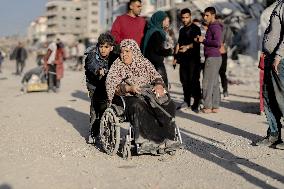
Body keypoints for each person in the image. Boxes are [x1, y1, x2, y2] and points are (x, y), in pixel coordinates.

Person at [106, 39, 179, 150]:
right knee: (139, 105)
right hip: (127, 97)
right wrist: (128, 88)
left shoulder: (143, 62)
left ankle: (168, 137)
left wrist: (158, 86)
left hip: (147, 92)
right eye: (122, 52)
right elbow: (112, 86)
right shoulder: (117, 66)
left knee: (167, 102)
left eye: (127, 51)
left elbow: (156, 76)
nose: (124, 54)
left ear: (134, 52)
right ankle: (146, 139)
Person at [256, 0, 284, 150]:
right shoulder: (278, 4)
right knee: (268, 97)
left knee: (281, 98)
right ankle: (273, 134)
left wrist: (279, 55)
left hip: (280, 60)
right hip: (270, 57)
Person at [84, 32, 118, 144]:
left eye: (106, 47)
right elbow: (92, 65)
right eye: (101, 46)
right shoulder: (92, 54)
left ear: (111, 47)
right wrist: (99, 70)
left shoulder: (115, 55)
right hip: (94, 84)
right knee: (95, 108)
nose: (103, 49)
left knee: (111, 107)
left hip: (109, 84)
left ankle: (109, 130)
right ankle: (93, 133)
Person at [174, 8, 202, 112]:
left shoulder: (195, 28)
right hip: (183, 60)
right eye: (183, 18)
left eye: (187, 17)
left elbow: (197, 43)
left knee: (194, 81)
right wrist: (175, 57)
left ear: (190, 17)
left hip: (194, 60)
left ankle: (197, 101)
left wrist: (188, 47)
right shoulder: (181, 30)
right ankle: (186, 101)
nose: (185, 19)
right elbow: (178, 44)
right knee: (184, 81)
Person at [196, 7, 223, 113]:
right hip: (215, 57)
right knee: (215, 82)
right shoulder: (213, 26)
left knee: (206, 82)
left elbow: (217, 43)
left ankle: (207, 106)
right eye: (204, 15)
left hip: (212, 57)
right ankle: (215, 106)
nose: (204, 17)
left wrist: (204, 40)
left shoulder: (214, 27)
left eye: (207, 15)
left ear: (213, 15)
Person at [142, 11, 173, 88]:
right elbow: (158, 50)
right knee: (162, 89)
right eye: (166, 20)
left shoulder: (151, 31)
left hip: (151, 64)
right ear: (160, 20)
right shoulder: (156, 33)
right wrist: (171, 51)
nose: (168, 21)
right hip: (156, 65)